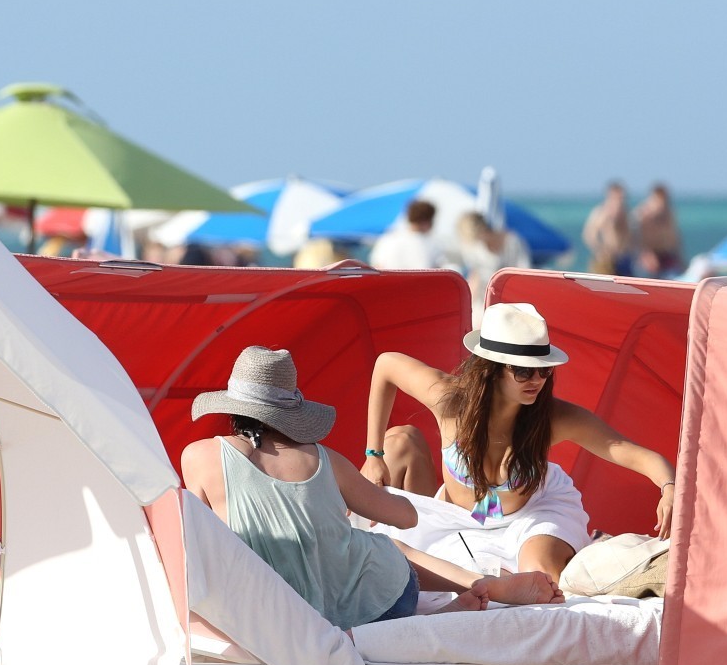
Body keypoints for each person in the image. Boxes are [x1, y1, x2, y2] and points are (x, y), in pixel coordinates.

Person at [181, 346, 563, 633]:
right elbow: (405, 515)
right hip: (379, 605)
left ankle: (442, 609)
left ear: (232, 405)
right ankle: (483, 587)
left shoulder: (197, 456)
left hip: (267, 610)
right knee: (387, 546)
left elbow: (200, 541)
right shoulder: (324, 461)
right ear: (291, 413)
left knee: (341, 547)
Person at [362, 303, 675, 582]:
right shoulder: (450, 401)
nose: (537, 380)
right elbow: (386, 364)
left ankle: (581, 550)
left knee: (540, 575)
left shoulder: (553, 417)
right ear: (491, 371)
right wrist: (372, 453)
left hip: (531, 513)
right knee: (397, 442)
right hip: (455, 516)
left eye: (544, 370)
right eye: (524, 371)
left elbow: (633, 454)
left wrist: (668, 487)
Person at [456, 211, 532, 328]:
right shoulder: (474, 247)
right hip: (483, 299)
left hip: (510, 297)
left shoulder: (512, 242)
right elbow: (475, 276)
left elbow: (524, 274)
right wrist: (465, 304)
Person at [369, 199, 443, 270]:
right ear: (427, 221)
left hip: (390, 282)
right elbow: (436, 269)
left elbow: (377, 265)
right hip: (417, 282)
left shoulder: (387, 239)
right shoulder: (429, 244)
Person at [582, 181, 634, 276]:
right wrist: (600, 249)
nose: (620, 201)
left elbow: (630, 235)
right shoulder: (602, 212)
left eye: (622, 198)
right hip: (605, 259)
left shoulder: (626, 213)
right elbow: (589, 234)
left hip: (623, 257)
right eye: (617, 198)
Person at [634, 183, 684, 278]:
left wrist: (680, 260)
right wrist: (645, 254)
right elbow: (634, 239)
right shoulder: (642, 215)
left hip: (666, 254)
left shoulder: (669, 214)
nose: (662, 205)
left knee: (675, 276)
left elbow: (675, 239)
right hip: (645, 256)